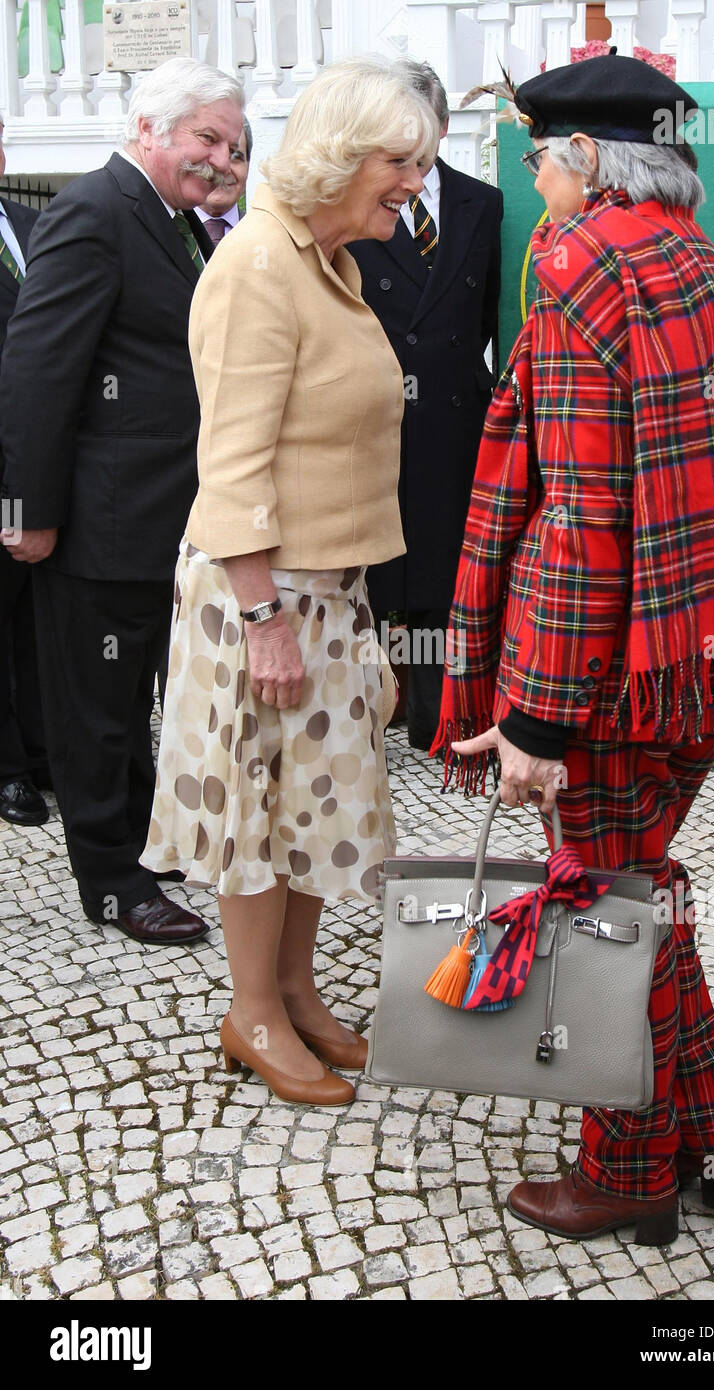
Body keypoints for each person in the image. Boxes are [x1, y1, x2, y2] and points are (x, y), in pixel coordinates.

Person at [432, 54, 714, 1244]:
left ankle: (627, 1169)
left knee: (602, 907)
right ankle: (712, 1143)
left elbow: (586, 510)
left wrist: (535, 718)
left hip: (605, 681)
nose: (535, 180)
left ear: (586, 155)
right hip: (690, 658)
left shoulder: (580, 263)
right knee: (640, 894)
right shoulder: (703, 264)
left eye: (540, 157)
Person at [140, 59, 440, 1106]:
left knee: (313, 806)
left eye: (421, 163)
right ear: (339, 155)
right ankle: (252, 1011)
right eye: (399, 161)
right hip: (261, 595)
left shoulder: (327, 260)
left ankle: (297, 993)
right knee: (256, 817)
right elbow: (232, 461)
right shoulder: (259, 262)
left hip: (327, 589)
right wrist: (264, 615)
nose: (415, 182)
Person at [0, 57, 243, 944]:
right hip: (97, 523)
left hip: (163, 518)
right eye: (206, 138)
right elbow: (37, 370)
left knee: (139, 699)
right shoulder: (95, 210)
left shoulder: (172, 220)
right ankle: (111, 884)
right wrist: (27, 513)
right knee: (96, 716)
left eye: (233, 145)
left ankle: (145, 844)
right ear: (148, 130)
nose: (221, 158)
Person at [349, 60, 503, 753]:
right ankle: (370, 712)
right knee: (379, 572)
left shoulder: (482, 204)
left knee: (443, 568)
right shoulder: (357, 205)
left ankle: (438, 718)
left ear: (441, 126)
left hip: (452, 419)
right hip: (375, 420)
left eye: (420, 126)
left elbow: (488, 317)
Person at [0, 119, 49, 828]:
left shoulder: (37, 224)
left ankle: (44, 753)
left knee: (39, 619)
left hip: (41, 460)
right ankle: (8, 769)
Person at [193, 115, 252, 245]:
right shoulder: (168, 231)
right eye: (210, 156)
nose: (223, 168)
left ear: (248, 167)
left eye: (235, 156)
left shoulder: (264, 237)